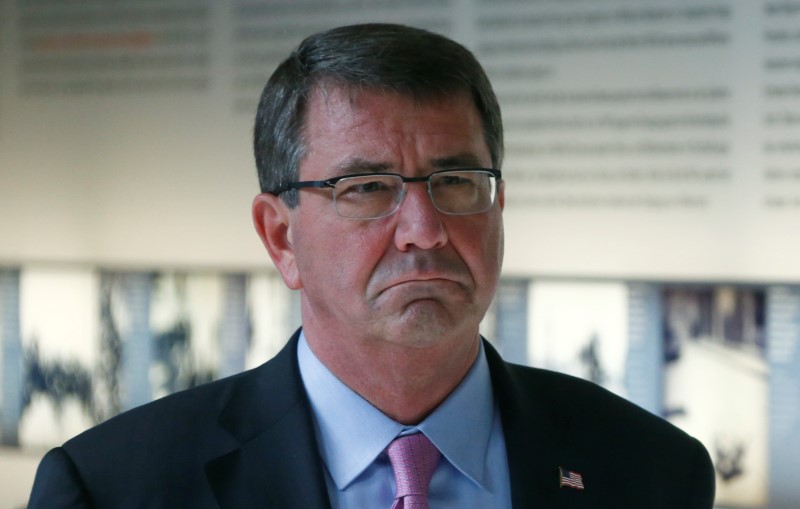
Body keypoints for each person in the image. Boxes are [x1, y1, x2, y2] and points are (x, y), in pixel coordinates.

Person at [27, 23, 715, 508]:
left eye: (456, 182)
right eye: (365, 188)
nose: (424, 230)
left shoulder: (652, 470)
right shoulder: (114, 486)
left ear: (499, 205)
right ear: (280, 237)